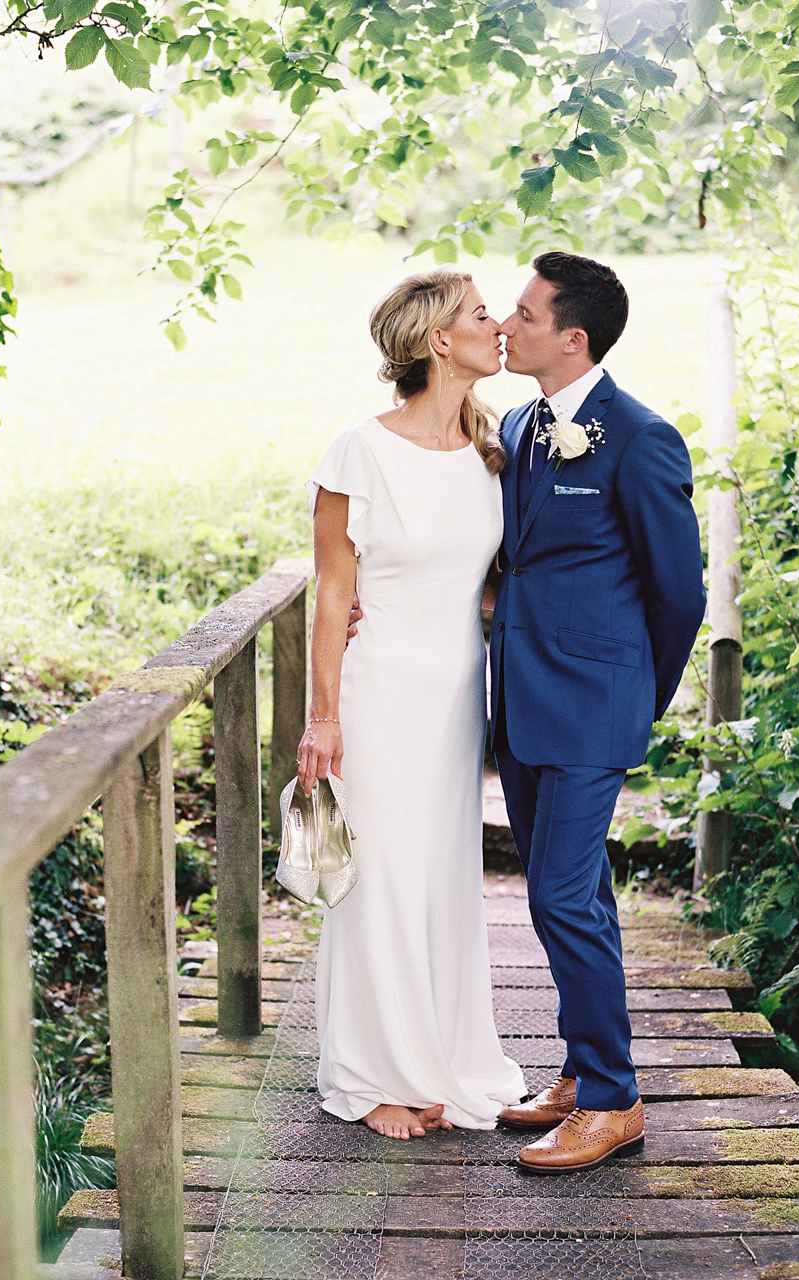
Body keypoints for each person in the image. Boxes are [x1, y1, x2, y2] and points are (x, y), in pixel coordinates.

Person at [295, 269, 526, 1141]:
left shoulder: (491, 445)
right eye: (478, 315)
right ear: (438, 341)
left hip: (458, 692)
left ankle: (447, 1055)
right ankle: (370, 1074)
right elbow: (330, 592)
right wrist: (323, 718)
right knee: (380, 874)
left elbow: (496, 579)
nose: (497, 324)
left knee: (441, 876)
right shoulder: (360, 449)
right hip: (380, 686)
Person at [491, 252, 706, 1172]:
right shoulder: (517, 422)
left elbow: (680, 596)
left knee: (555, 892)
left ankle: (615, 1101)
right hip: (522, 700)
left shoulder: (641, 438)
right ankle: (584, 1070)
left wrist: (634, 699)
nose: (506, 324)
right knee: (578, 895)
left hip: (595, 706)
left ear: (571, 338)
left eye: (524, 314)